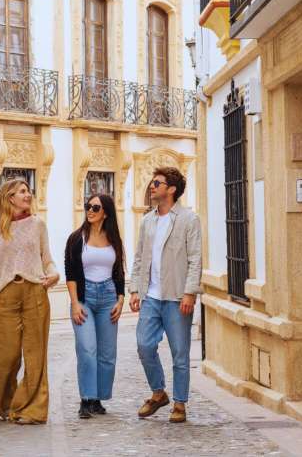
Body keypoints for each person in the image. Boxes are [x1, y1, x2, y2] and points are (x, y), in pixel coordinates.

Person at [0, 179, 59, 424]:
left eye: (28, 190)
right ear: (9, 197)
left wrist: (54, 274)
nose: (28, 194)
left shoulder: (38, 225)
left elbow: (47, 259)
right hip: (4, 297)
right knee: (1, 357)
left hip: (35, 292)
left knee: (36, 355)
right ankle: (6, 405)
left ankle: (32, 410)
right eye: (22, 191)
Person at [129, 166, 202, 423]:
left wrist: (190, 293)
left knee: (179, 353)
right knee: (144, 345)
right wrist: (135, 289)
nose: (152, 186)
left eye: (157, 183)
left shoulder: (188, 219)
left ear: (171, 189)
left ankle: (180, 403)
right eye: (152, 182)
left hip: (176, 297)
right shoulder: (147, 221)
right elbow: (139, 257)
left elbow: (195, 259)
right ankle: (159, 393)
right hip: (151, 296)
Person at [64, 194, 125, 419]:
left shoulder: (114, 239)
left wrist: (120, 300)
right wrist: (74, 304)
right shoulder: (76, 238)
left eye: (95, 207)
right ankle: (86, 399)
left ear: (105, 212)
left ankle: (98, 399)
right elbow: (70, 273)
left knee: (107, 354)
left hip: (109, 296)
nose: (90, 210)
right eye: (88, 206)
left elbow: (119, 272)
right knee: (87, 349)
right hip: (84, 297)